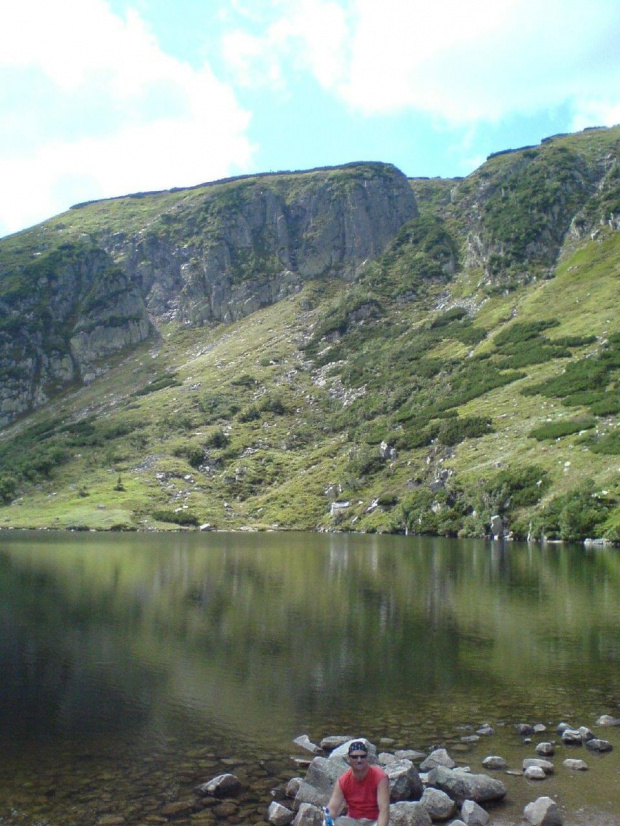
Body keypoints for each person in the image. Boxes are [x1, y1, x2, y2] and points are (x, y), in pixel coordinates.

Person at [326, 740, 390, 826]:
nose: (359, 760)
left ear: (367, 758)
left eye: (362, 756)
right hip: (352, 821)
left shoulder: (380, 777)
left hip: (374, 821)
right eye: (355, 757)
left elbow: (384, 809)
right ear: (349, 759)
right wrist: (328, 821)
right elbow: (332, 808)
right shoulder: (343, 781)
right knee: (335, 823)